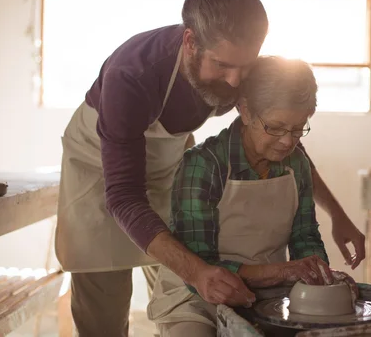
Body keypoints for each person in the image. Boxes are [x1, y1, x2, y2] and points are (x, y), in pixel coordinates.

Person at [55, 0, 365, 337]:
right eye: (222, 66)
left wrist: (338, 214)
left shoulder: (237, 67)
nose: (236, 80)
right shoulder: (131, 75)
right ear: (190, 43)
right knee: (104, 304)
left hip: (169, 160)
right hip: (99, 169)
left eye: (245, 66)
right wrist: (197, 272)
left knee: (175, 290)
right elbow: (123, 196)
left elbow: (283, 140)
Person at [148, 56, 357, 336]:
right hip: (195, 296)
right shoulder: (204, 165)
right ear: (245, 110)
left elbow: (304, 236)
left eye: (298, 129)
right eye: (275, 127)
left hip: (265, 294)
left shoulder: (297, 164)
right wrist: (284, 272)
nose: (287, 141)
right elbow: (200, 262)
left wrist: (322, 278)